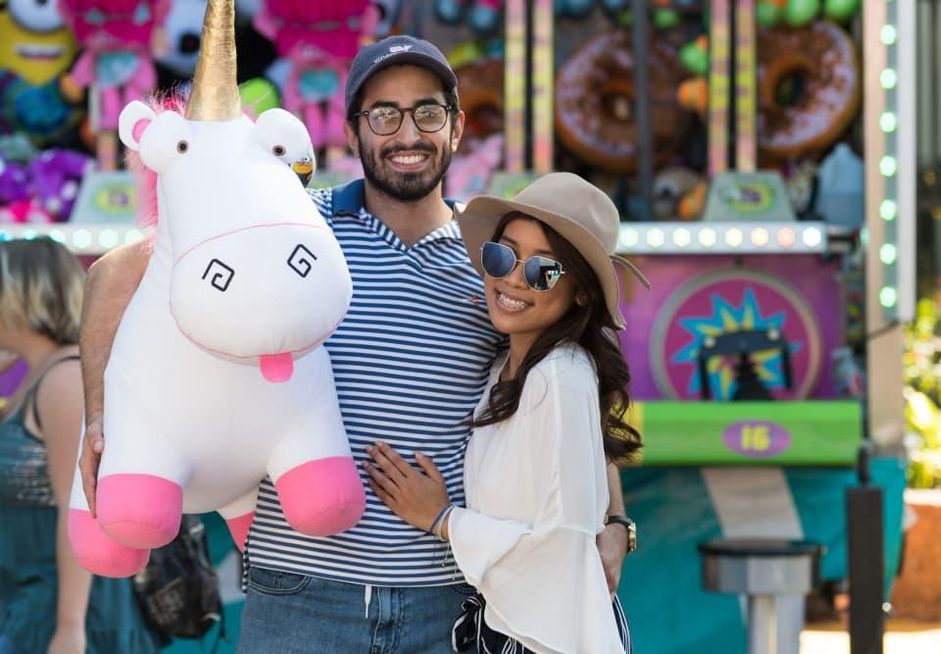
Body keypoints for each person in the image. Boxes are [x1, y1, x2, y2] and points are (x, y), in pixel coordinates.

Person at [77, 35, 634, 652]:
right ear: (351, 130)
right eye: (383, 115)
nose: (407, 134)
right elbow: (114, 274)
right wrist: (102, 420)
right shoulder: (295, 225)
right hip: (301, 591)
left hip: (446, 597)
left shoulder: (494, 266)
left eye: (427, 112)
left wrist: (613, 519)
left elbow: (570, 405)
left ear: (456, 127)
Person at [365, 173, 643, 653]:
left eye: (544, 271)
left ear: (581, 292)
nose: (514, 278)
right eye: (502, 256)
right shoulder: (509, 367)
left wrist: (441, 519)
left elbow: (563, 543)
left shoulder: (559, 377)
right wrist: (619, 522)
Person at [0, 238, 161, 654]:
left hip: (68, 612)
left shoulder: (62, 379)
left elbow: (79, 508)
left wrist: (69, 629)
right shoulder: (39, 375)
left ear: (21, 295)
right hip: (31, 600)